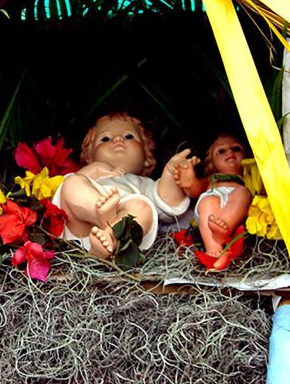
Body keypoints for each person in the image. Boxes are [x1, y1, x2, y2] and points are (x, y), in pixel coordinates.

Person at [52, 112, 191, 258]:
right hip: (82, 228)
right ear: (89, 156)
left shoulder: (142, 183)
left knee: (143, 207)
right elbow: (70, 191)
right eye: (105, 139)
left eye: (129, 136)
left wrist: (170, 174)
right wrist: (96, 169)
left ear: (147, 158)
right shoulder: (91, 175)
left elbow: (166, 204)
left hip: (123, 243)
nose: (118, 139)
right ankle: (98, 213)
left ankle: (111, 239)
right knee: (71, 182)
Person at [173, 132, 253, 270]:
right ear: (211, 161)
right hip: (213, 199)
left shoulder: (248, 178)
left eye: (236, 148)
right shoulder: (211, 178)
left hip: (235, 205)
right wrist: (190, 182)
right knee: (207, 201)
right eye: (221, 151)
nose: (230, 152)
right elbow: (196, 191)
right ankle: (213, 245)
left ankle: (223, 228)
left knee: (243, 193)